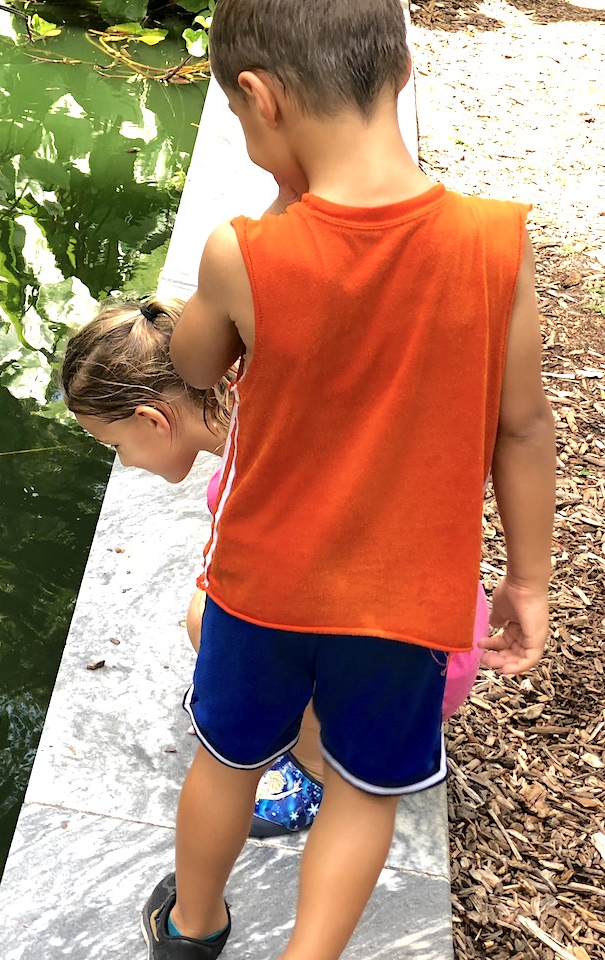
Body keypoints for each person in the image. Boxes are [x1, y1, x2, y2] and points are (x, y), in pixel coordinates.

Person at [152, 0, 557, 957]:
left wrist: (278, 219)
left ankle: (192, 927)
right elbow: (525, 426)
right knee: (365, 788)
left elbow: (199, 366)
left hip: (263, 589)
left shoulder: (244, 252)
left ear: (261, 99)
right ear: (405, 73)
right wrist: (530, 579)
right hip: (406, 599)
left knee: (226, 759)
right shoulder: (496, 245)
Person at [60, 297, 487, 842]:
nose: (123, 460)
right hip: (442, 632)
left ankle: (315, 773)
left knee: (210, 619)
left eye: (116, 445)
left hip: (414, 677)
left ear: (152, 419)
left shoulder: (253, 488)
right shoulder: (267, 413)